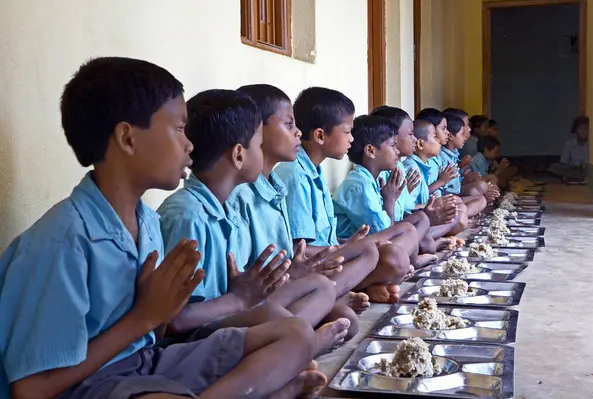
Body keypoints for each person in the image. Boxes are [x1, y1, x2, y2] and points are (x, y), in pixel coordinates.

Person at [0, 57, 326, 399]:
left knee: (296, 336)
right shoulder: (62, 241)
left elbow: (153, 337)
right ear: (127, 138)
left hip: (146, 364)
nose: (189, 145)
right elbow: (31, 389)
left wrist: (159, 315)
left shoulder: (148, 223)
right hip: (91, 384)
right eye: (179, 128)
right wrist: (146, 317)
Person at [158, 89, 350, 356]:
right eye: (258, 144)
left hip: (235, 309)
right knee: (285, 319)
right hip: (197, 337)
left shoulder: (227, 207)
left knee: (321, 288)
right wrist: (239, 299)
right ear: (239, 155)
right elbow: (174, 321)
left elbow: (245, 281)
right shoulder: (188, 216)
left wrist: (279, 278)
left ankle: (294, 348)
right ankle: (301, 349)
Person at [227, 84, 371, 338]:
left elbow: (291, 261)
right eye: (289, 124)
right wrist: (337, 251)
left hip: (284, 285)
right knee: (339, 300)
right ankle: (301, 338)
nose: (297, 133)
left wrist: (337, 249)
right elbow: (295, 251)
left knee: (344, 307)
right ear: (256, 131)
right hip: (255, 302)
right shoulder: (252, 190)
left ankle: (305, 326)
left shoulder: (276, 185)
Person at [275, 87, 411, 304]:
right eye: (347, 131)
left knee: (394, 245)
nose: (352, 138)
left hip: (330, 257)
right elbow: (299, 251)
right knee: (388, 256)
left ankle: (356, 288)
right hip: (313, 268)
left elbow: (324, 238)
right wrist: (344, 248)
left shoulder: (314, 172)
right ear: (320, 135)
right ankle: (341, 293)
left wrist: (345, 243)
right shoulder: (296, 176)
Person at [332, 114, 438, 268]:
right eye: (392, 145)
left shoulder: (370, 179)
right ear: (371, 150)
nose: (397, 152)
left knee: (420, 219)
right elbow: (385, 230)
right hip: (352, 254)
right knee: (405, 235)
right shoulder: (359, 185)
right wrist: (390, 200)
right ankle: (401, 264)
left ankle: (409, 260)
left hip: (371, 243)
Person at [370, 105, 459, 250]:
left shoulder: (397, 167)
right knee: (425, 234)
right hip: (386, 239)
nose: (414, 139)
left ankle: (420, 246)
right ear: (393, 136)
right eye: (410, 134)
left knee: (429, 224)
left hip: (397, 230)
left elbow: (405, 211)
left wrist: (430, 209)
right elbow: (383, 230)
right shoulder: (377, 176)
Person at [404, 119, 469, 236]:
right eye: (435, 137)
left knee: (459, 209)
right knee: (460, 219)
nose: (439, 140)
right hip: (416, 219)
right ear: (420, 144)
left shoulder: (423, 164)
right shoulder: (412, 167)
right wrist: (436, 202)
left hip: (423, 212)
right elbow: (407, 209)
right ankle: (427, 237)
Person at [437, 114, 487, 217]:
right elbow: (444, 189)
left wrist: (464, 179)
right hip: (446, 199)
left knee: (481, 196)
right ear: (451, 136)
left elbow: (452, 182)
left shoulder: (454, 155)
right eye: (462, 133)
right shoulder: (442, 157)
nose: (465, 136)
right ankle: (458, 218)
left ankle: (461, 216)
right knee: (476, 193)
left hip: (454, 195)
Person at [549, 116, 589, 184]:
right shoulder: (569, 144)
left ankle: (581, 177)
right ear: (576, 130)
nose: (583, 131)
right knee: (554, 167)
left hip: (589, 171)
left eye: (586, 129)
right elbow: (563, 162)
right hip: (573, 170)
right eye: (580, 129)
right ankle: (577, 177)